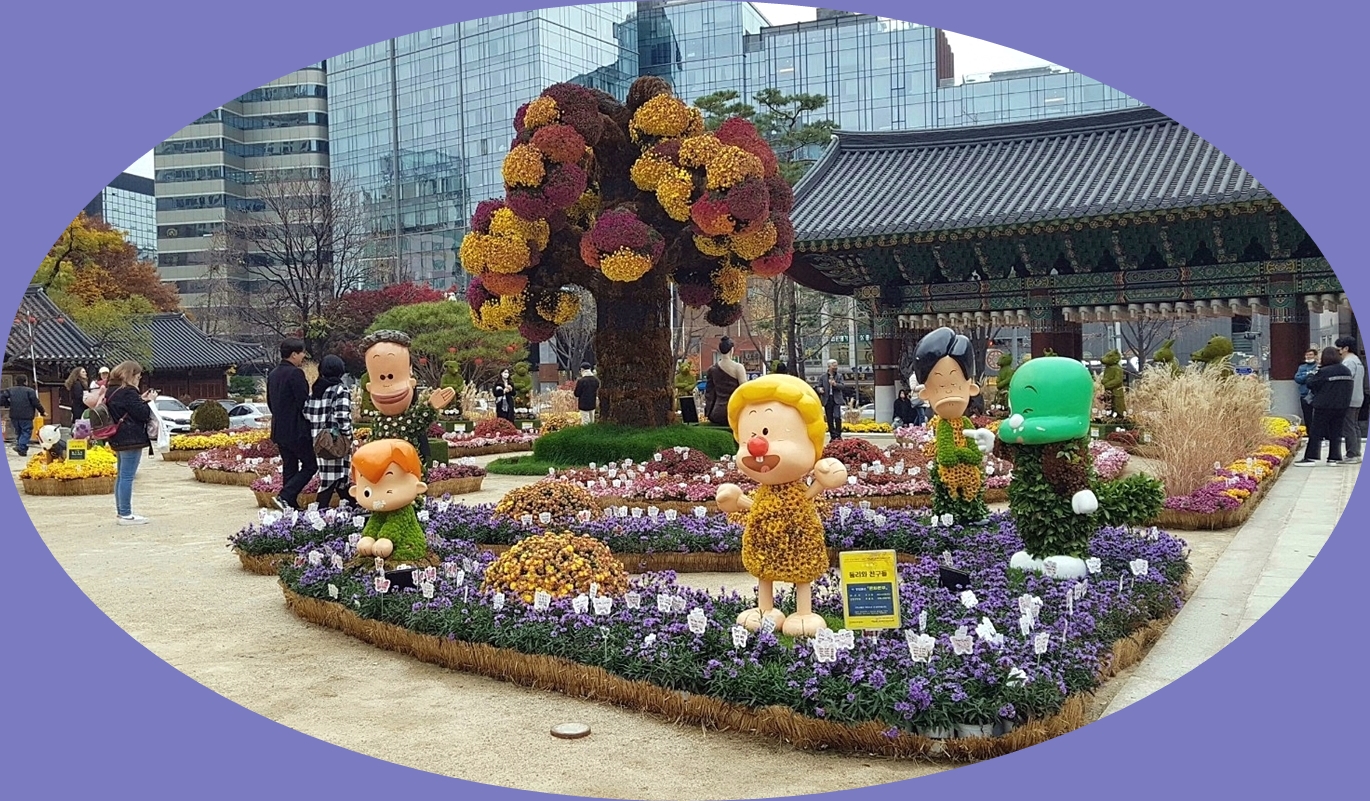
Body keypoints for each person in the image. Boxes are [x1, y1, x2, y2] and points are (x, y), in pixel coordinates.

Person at [104, 360, 157, 525]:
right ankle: (126, 514)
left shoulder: (112, 390)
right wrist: (150, 401)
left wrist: (140, 399)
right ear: (131, 375)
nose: (139, 380)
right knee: (127, 476)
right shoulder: (128, 392)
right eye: (138, 377)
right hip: (131, 437)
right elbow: (143, 414)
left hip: (117, 436)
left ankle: (121, 512)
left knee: (121, 476)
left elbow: (127, 408)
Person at [267, 338, 317, 511]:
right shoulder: (296, 374)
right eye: (302, 353)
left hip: (279, 429)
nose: (303, 356)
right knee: (311, 465)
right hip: (297, 430)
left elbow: (270, 403)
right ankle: (285, 495)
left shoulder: (273, 374)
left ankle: (290, 504)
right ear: (294, 354)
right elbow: (304, 403)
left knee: (290, 466)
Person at [305, 355, 353, 509]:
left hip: (319, 440)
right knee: (331, 478)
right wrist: (348, 435)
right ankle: (319, 511)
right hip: (335, 439)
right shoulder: (340, 390)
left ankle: (353, 506)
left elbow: (307, 413)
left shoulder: (315, 392)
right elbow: (342, 415)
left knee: (336, 478)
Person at [1297, 347, 1354, 466]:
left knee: (1316, 431)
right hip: (1342, 406)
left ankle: (1310, 457)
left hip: (1324, 405)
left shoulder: (1324, 371)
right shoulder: (1346, 370)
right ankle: (1334, 457)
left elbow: (1311, 384)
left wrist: (1310, 375)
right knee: (1336, 432)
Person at [704, 336, 747, 427]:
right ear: (732, 350)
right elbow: (744, 391)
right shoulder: (738, 368)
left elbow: (709, 394)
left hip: (717, 413)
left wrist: (708, 413)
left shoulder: (712, 369)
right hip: (734, 412)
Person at [1335, 336, 1364, 464]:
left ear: (1346, 348)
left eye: (1339, 349)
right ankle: (1356, 452)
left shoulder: (1348, 362)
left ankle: (1352, 454)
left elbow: (1345, 380)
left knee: (1349, 426)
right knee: (1354, 425)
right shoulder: (1357, 360)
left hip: (1349, 398)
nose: (1339, 352)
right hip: (1358, 397)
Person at [5, 374, 46, 457]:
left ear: (15, 381)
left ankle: (22, 450)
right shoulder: (30, 391)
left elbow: (2, 398)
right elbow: (36, 403)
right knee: (26, 431)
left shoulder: (10, 390)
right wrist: (42, 411)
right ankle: (21, 446)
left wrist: (7, 404)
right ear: (25, 381)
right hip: (26, 415)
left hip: (14, 415)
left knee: (19, 432)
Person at [816, 359, 847, 440]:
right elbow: (818, 386)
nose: (836, 367)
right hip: (827, 399)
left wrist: (835, 384)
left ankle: (838, 435)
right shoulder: (823, 377)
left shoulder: (839, 376)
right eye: (834, 366)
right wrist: (820, 389)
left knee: (837, 417)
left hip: (836, 399)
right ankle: (833, 436)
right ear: (829, 366)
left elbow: (843, 386)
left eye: (836, 366)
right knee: (829, 418)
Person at [1294, 348, 1318, 436]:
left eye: (1311, 355)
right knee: (1307, 416)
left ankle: (1318, 433)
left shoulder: (1318, 367)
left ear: (1315, 356)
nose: (1308, 356)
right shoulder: (1302, 367)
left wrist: (1307, 376)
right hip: (1304, 395)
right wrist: (1309, 375)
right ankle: (1310, 433)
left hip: (1316, 395)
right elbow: (1297, 379)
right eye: (1307, 355)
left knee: (1317, 416)